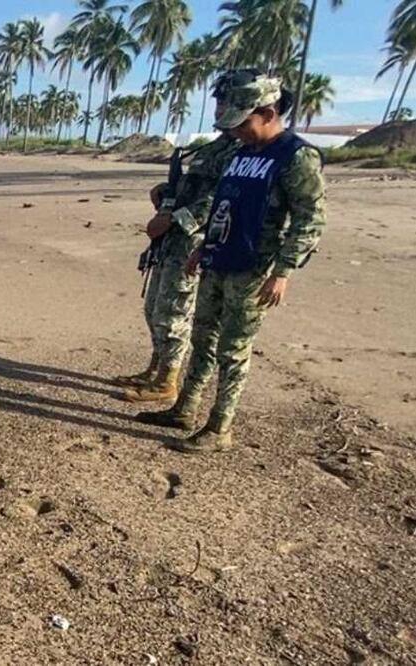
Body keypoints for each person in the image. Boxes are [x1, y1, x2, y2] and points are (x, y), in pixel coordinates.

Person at [137, 74, 327, 453]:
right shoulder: (242, 153)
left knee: (233, 349)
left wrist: (283, 272)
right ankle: (185, 409)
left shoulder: (295, 156)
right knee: (201, 338)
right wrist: (203, 248)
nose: (235, 131)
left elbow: (310, 219)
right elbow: (225, 205)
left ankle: (220, 427)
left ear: (269, 113)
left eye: (242, 122)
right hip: (218, 259)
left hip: (253, 269)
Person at [115, 71, 247, 402]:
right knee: (154, 308)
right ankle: (157, 367)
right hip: (170, 242)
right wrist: (167, 194)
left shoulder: (239, 152)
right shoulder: (215, 147)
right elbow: (196, 188)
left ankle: (167, 381)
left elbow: (220, 201)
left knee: (173, 311)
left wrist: (174, 220)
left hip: (192, 241)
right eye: (217, 102)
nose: (218, 109)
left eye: (225, 102)